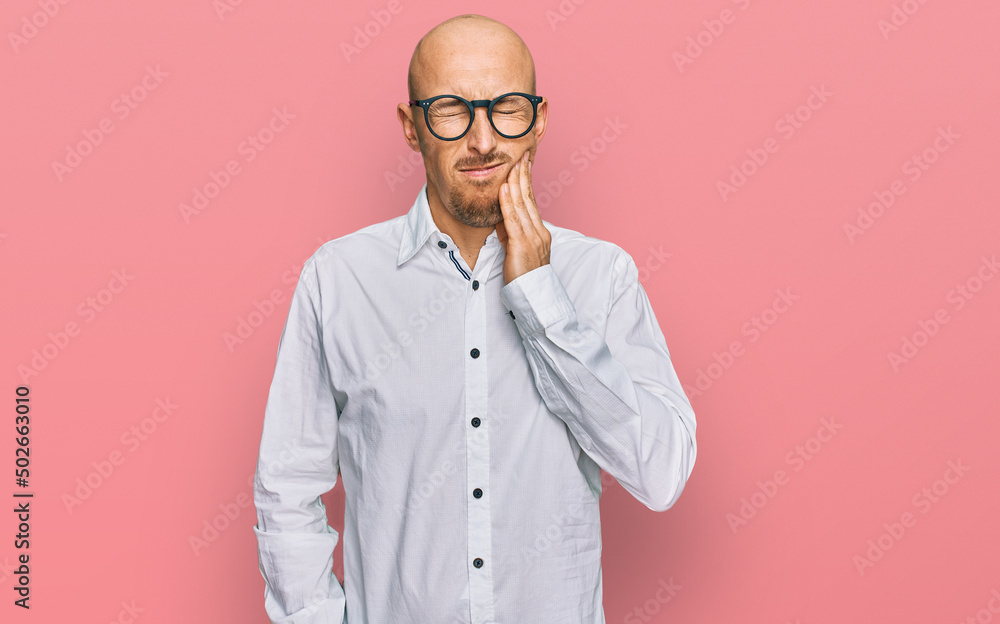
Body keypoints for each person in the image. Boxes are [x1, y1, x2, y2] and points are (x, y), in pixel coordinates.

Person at [252, 13, 697, 624]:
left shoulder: (602, 277)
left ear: (538, 122)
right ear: (412, 127)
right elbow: (287, 487)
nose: (483, 140)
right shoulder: (339, 281)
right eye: (451, 110)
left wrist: (543, 298)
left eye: (506, 108)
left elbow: (662, 470)